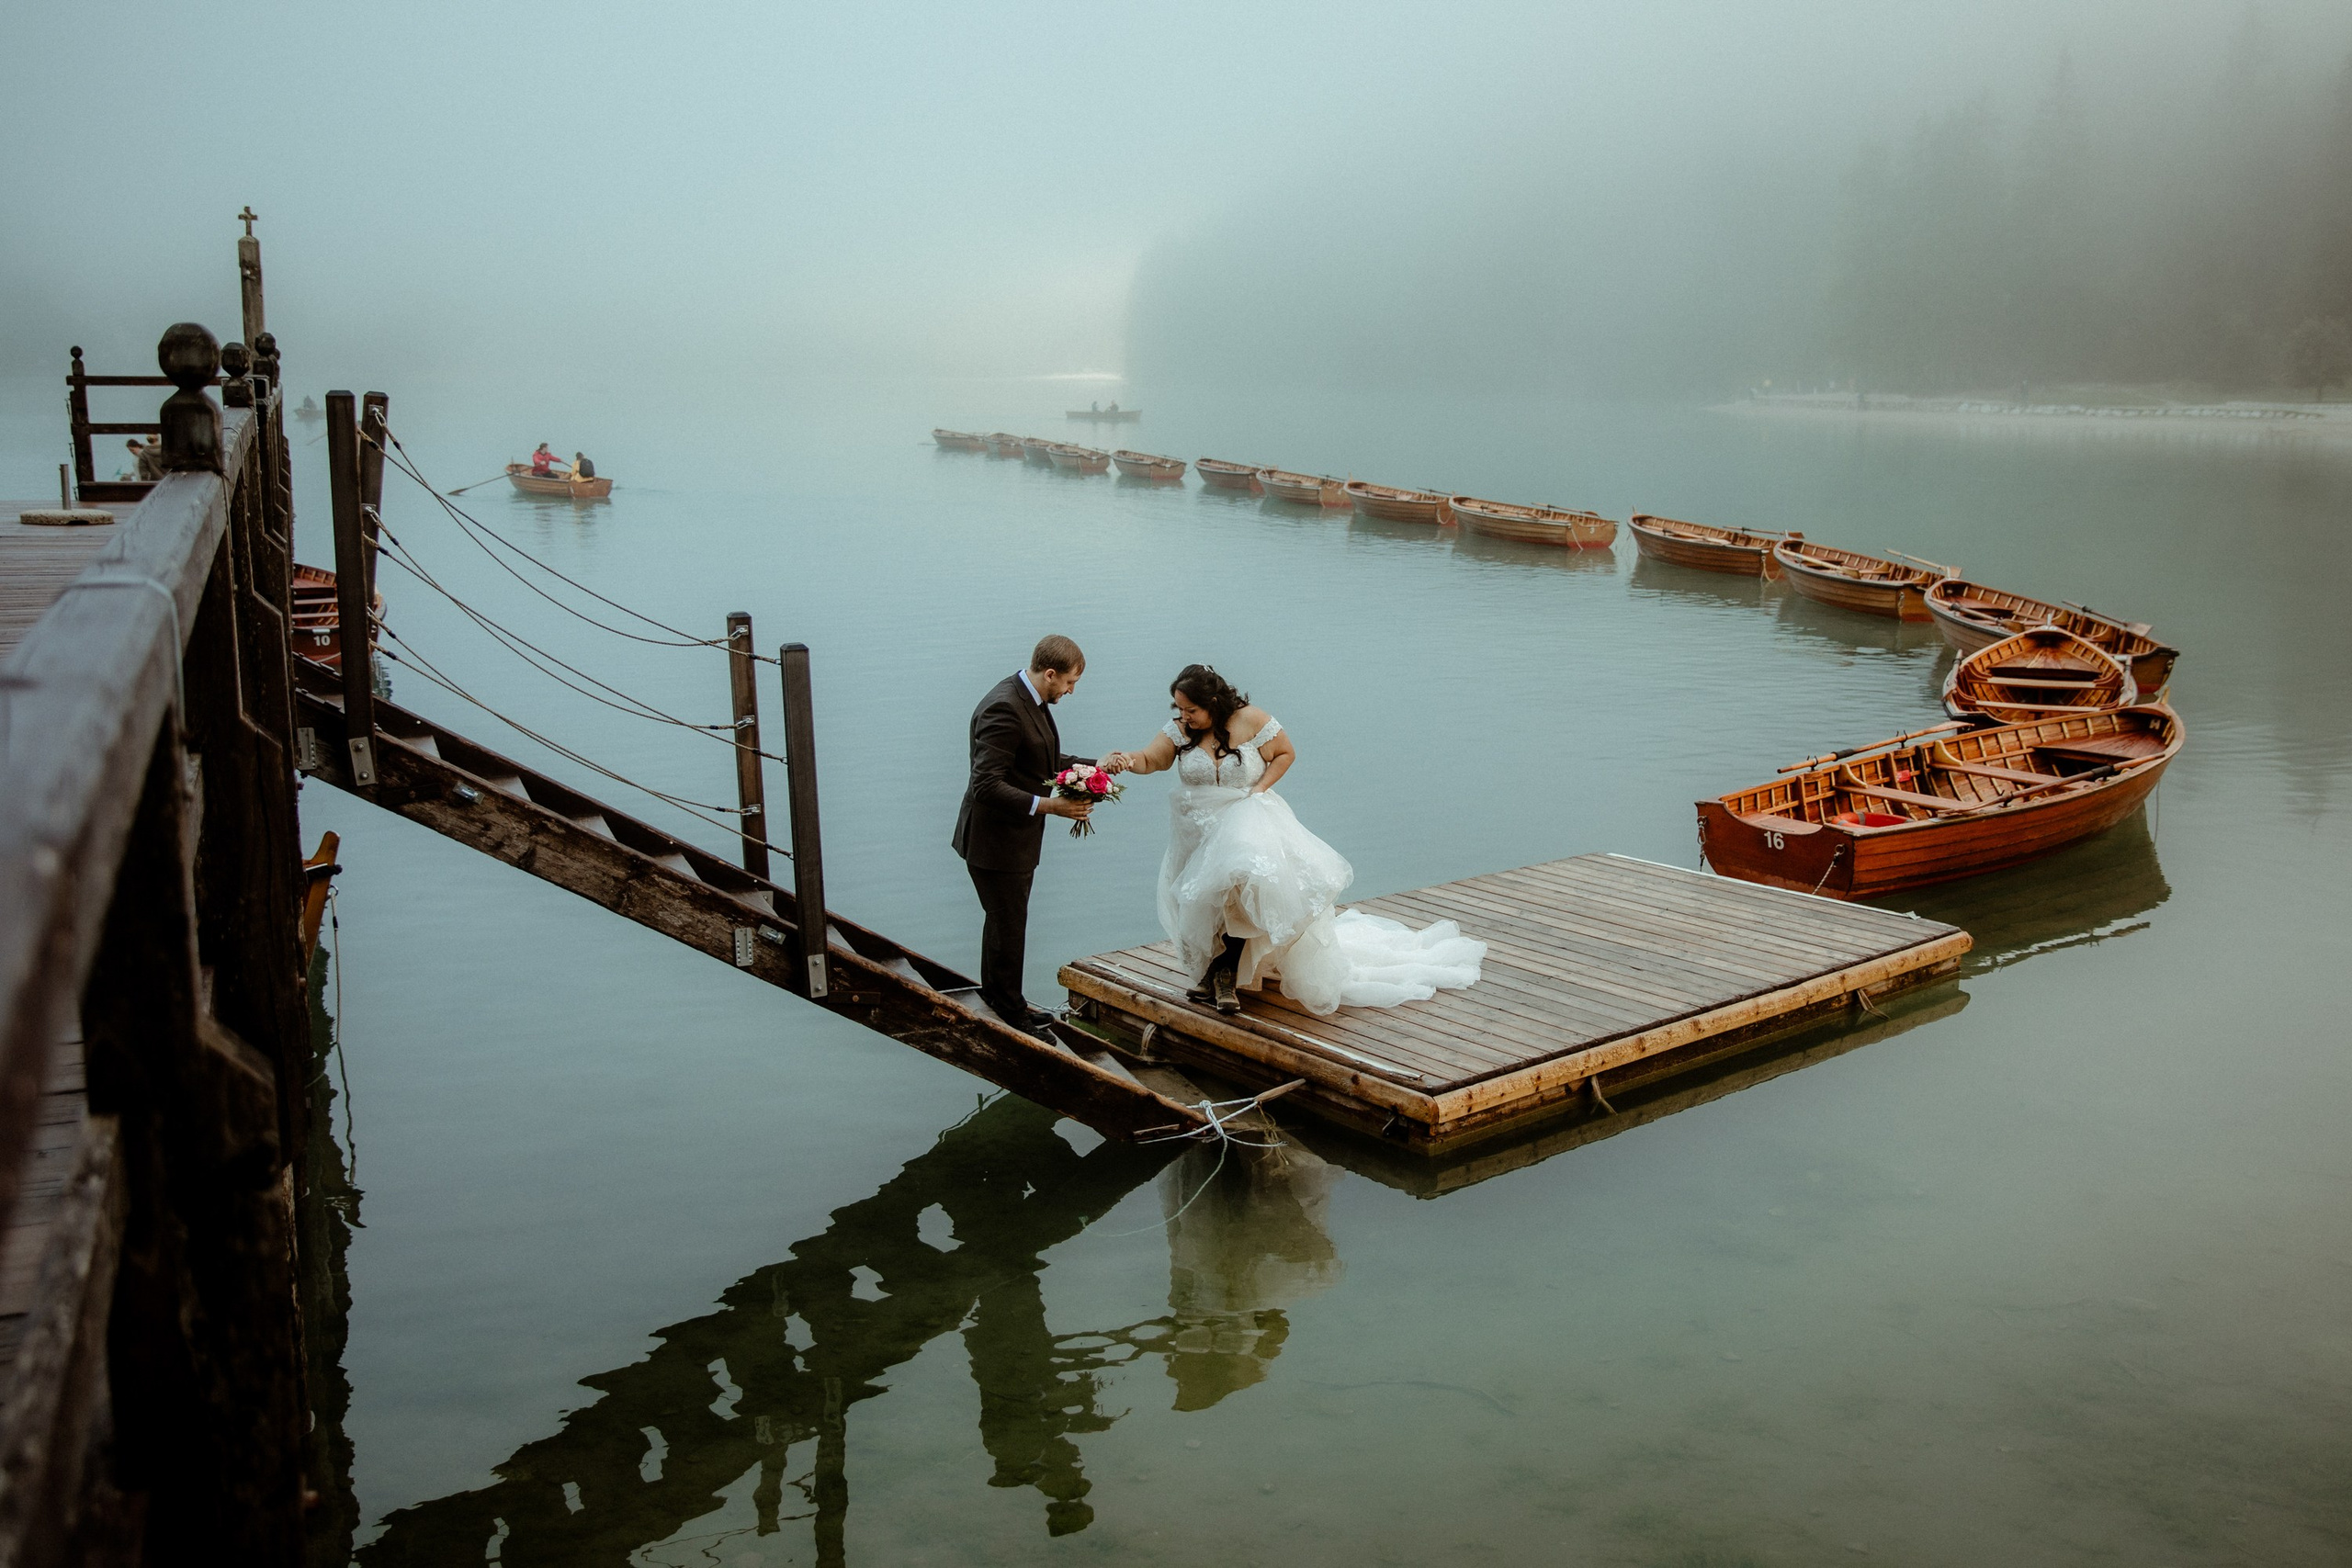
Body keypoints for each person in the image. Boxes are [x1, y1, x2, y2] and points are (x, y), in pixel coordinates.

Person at [1102, 665, 1483, 1016]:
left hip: (1247, 818)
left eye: (1191, 710)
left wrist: (1260, 791)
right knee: (1207, 902)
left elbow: (1285, 753)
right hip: (1196, 828)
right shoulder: (1181, 730)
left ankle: (1223, 976)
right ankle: (1215, 969)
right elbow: (1151, 760)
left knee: (1242, 882)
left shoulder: (1251, 720)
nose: (1183, 717)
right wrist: (1124, 760)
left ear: (1213, 704)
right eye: (1179, 709)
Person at [952, 636, 1096, 1038]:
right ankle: (1011, 1014)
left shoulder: (1030, 699)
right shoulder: (1005, 707)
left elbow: (1045, 763)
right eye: (1069, 683)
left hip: (1014, 841)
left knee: (1005, 925)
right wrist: (1052, 806)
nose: (1070, 691)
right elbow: (986, 785)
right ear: (1049, 674)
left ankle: (1003, 1000)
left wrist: (1098, 766)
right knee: (1008, 925)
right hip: (993, 842)